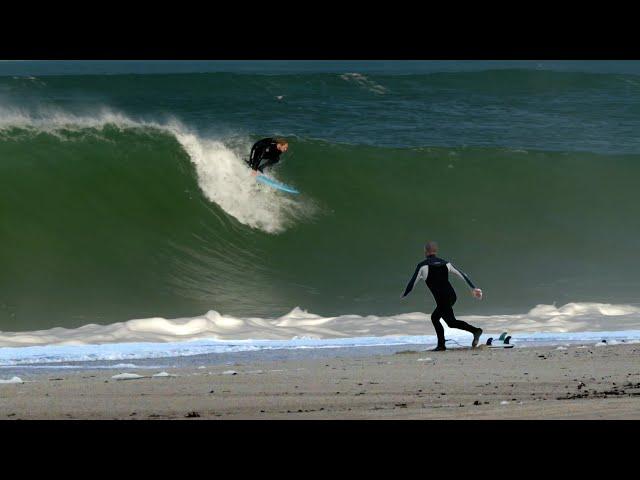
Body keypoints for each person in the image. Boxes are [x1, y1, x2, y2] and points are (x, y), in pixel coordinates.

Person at [401, 241, 484, 351]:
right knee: (438, 318)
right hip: (451, 296)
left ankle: (445, 344)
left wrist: (404, 294)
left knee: (448, 321)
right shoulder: (446, 263)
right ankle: (444, 343)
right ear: (436, 251)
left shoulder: (423, 266)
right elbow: (462, 274)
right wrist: (473, 288)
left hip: (443, 299)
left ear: (425, 251)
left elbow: (412, 283)